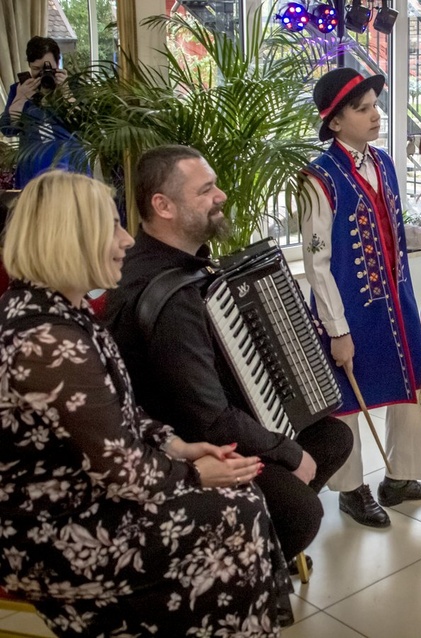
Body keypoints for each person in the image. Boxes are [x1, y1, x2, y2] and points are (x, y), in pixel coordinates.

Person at [0, 170, 287, 636]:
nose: (127, 240)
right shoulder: (48, 342)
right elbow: (120, 469)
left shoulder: (62, 311)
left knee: (242, 499)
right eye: (112, 226)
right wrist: (195, 473)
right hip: (50, 531)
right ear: (69, 239)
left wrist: (177, 446)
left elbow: (120, 411)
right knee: (237, 511)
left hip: (82, 497)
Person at [104, 145, 353, 570]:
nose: (220, 196)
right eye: (205, 190)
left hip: (206, 425)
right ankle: (253, 566)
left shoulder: (180, 268)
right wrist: (286, 452)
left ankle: (261, 546)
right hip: (186, 448)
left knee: (332, 436)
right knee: (301, 510)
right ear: (163, 206)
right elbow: (209, 419)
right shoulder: (168, 296)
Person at [300, 68, 421, 528]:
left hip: (396, 302)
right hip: (347, 310)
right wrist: (337, 330)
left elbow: (390, 230)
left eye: (375, 106)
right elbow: (317, 263)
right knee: (348, 400)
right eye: (363, 109)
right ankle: (351, 489)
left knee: (414, 382)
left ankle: (401, 476)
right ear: (335, 121)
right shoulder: (318, 179)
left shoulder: (383, 163)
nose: (375, 115)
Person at [0, 37, 83, 189]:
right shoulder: (20, 89)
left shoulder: (73, 86)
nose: (42, 74)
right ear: (29, 66)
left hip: (69, 166)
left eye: (48, 68)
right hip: (32, 167)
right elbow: (8, 130)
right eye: (36, 69)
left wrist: (67, 94)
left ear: (58, 63)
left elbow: (84, 125)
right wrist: (20, 99)